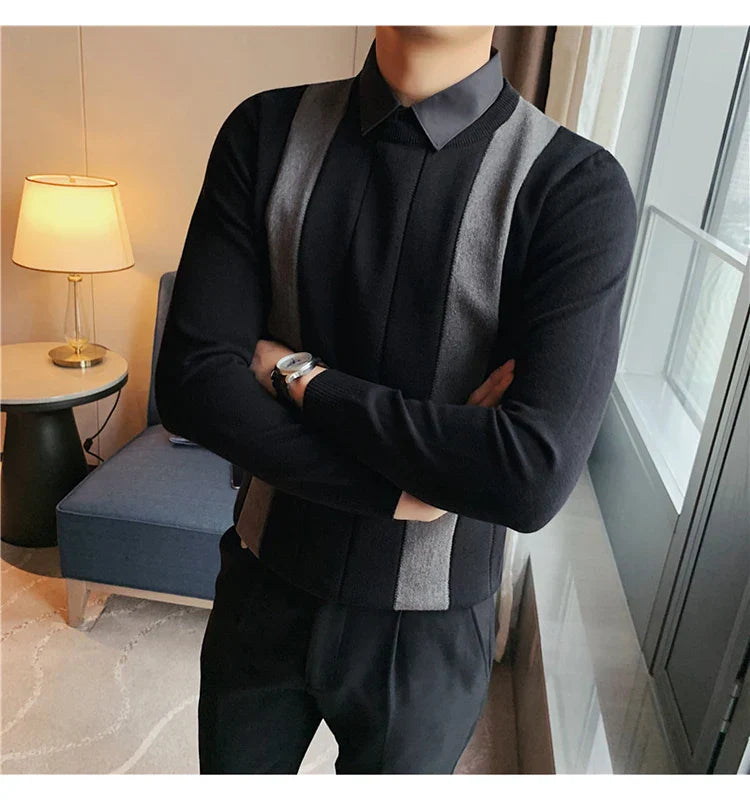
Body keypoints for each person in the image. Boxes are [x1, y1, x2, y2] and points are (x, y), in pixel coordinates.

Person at [154, 25, 637, 773]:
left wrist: (299, 376)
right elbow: (192, 384)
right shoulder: (265, 130)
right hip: (263, 581)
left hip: (432, 631)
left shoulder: (575, 187)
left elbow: (528, 474)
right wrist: (403, 488)